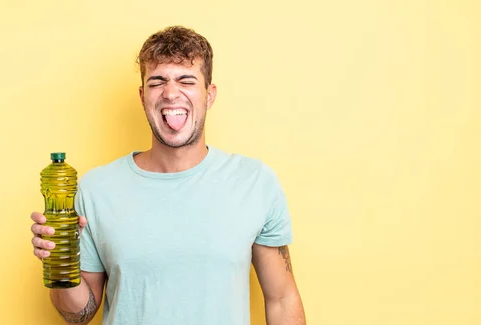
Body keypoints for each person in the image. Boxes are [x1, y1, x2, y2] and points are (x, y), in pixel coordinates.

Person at [30, 25, 306, 325]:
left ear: (209, 95)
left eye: (186, 80)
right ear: (142, 96)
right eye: (157, 82)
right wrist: (59, 264)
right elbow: (78, 314)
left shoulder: (254, 182)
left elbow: (282, 299)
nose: (171, 92)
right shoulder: (95, 189)